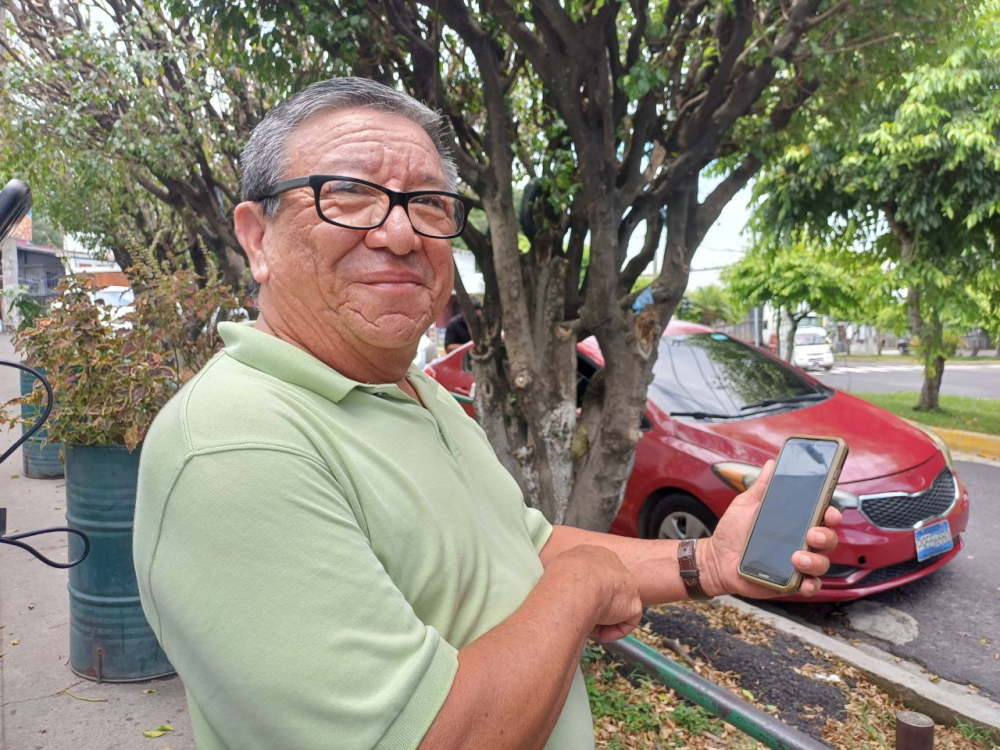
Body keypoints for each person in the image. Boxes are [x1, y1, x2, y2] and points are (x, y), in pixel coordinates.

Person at [133, 78, 840, 750]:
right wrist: (584, 583)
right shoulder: (236, 447)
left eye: (429, 204)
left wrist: (711, 562)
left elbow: (524, 545)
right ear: (258, 238)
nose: (401, 233)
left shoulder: (414, 391)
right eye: (347, 196)